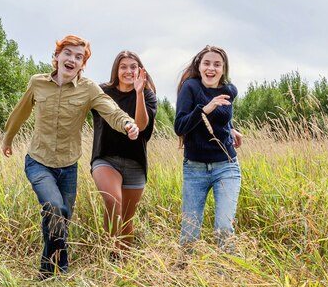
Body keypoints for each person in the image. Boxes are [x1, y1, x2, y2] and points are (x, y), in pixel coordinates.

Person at [1, 35, 141, 279]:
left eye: (79, 57)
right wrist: (7, 138)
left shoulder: (88, 89)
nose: (72, 59)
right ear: (57, 57)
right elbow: (20, 112)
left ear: (82, 65)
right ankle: (56, 272)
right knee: (54, 208)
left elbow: (111, 110)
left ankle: (51, 272)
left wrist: (128, 124)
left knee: (61, 219)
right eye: (68, 53)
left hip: (68, 167)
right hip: (38, 161)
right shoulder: (38, 83)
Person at [173, 45, 243, 252]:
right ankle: (183, 273)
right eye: (207, 63)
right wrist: (204, 110)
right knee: (190, 231)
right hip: (195, 169)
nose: (211, 68)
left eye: (217, 64)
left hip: (226, 166)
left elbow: (222, 118)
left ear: (224, 68)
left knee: (223, 227)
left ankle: (226, 276)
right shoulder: (190, 87)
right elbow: (180, 126)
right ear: (199, 65)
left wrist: (230, 128)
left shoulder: (230, 90)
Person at [90, 51, 157, 252]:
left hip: (135, 163)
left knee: (127, 218)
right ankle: (110, 255)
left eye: (133, 67)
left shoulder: (147, 95)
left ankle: (122, 264)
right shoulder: (102, 92)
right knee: (113, 202)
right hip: (105, 159)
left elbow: (141, 126)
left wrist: (138, 93)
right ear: (116, 70)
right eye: (123, 67)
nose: (128, 71)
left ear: (139, 70)